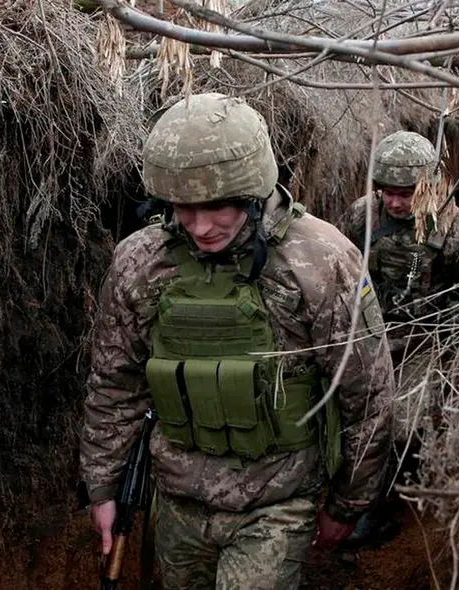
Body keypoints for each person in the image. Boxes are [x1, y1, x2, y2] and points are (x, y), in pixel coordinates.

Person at [79, 92, 394, 589]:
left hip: (276, 503)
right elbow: (116, 383)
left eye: (217, 206)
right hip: (176, 500)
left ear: (253, 190)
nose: (201, 227)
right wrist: (103, 486)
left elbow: (366, 394)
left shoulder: (322, 261)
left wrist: (349, 502)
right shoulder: (140, 262)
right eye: (183, 207)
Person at [336, 130, 459, 543]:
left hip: (425, 343)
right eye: (387, 192)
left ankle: (385, 506)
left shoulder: (458, 231)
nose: (394, 202)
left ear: (428, 187)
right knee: (345, 411)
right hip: (369, 333)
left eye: (405, 193)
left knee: (399, 426)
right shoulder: (361, 216)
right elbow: (338, 271)